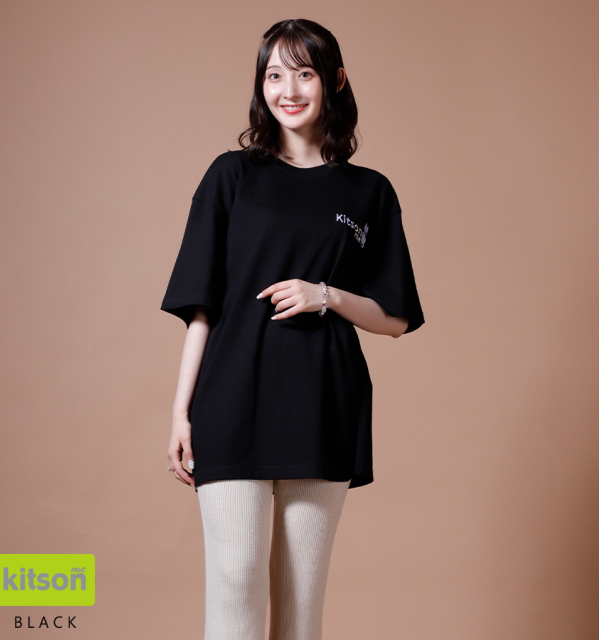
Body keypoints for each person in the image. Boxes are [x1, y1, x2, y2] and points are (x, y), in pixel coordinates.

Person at [161, 18, 425, 640]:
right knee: (235, 587)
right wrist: (180, 412)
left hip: (323, 402)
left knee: (301, 610)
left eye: (304, 74)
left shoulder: (369, 192)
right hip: (231, 399)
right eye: (274, 75)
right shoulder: (231, 176)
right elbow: (201, 306)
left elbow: (395, 317)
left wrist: (325, 295)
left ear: (334, 80)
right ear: (261, 85)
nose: (288, 90)